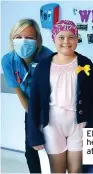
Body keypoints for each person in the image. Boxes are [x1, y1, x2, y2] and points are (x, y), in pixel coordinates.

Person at [27, 20, 93, 173]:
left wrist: (92, 128)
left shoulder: (85, 63)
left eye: (71, 37)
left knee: (76, 169)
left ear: (77, 39)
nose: (66, 41)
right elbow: (34, 101)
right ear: (54, 39)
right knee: (57, 169)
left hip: (78, 124)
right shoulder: (43, 66)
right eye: (61, 37)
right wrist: (33, 133)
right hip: (52, 125)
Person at [1, 18, 53, 173]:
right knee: (31, 149)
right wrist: (33, 127)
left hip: (50, 106)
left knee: (50, 150)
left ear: (38, 40)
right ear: (12, 39)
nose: (23, 41)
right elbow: (20, 93)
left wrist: (42, 124)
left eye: (29, 37)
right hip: (29, 106)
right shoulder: (8, 60)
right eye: (18, 37)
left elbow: (49, 96)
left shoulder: (48, 58)